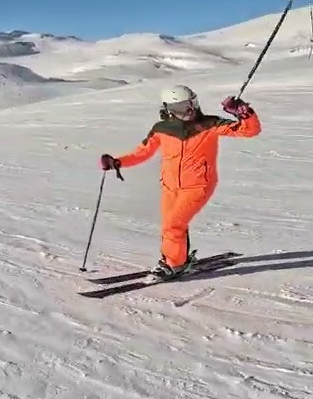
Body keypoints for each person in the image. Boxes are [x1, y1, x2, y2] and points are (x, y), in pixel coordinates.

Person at [99, 85, 260, 280]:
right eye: (182, 107)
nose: (190, 110)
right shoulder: (161, 130)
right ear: (169, 109)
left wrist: (245, 114)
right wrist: (117, 162)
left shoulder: (209, 124)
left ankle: (173, 265)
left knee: (173, 224)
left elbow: (249, 131)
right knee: (171, 225)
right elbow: (142, 153)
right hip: (170, 186)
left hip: (198, 185)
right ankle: (178, 259)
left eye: (191, 103)